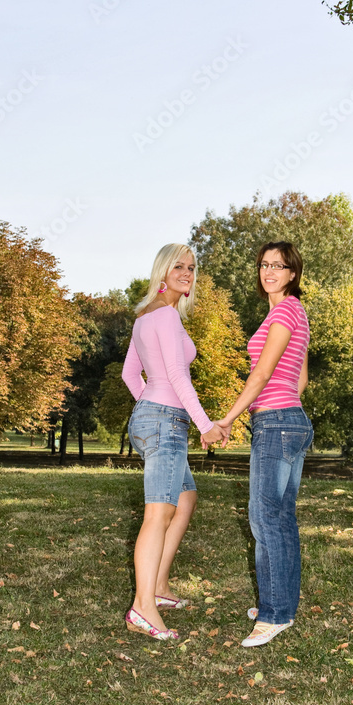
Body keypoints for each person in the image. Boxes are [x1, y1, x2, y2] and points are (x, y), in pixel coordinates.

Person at [122, 243, 226, 641]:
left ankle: (158, 587)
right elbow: (179, 379)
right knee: (159, 513)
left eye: (192, 267)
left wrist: (148, 408)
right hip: (166, 420)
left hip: (154, 417)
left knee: (184, 499)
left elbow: (132, 377)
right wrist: (203, 424)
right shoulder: (164, 316)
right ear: (162, 272)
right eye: (179, 266)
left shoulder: (146, 317)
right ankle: (142, 607)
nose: (187, 273)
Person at [214, 241, 313, 647]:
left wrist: (227, 418)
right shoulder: (292, 312)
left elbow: (260, 376)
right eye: (264, 264)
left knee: (264, 517)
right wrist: (288, 412)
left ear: (293, 273)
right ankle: (281, 604)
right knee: (280, 517)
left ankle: (274, 614)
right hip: (291, 420)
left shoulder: (286, 310)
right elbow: (300, 377)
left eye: (279, 265)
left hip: (275, 423)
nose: (269, 271)